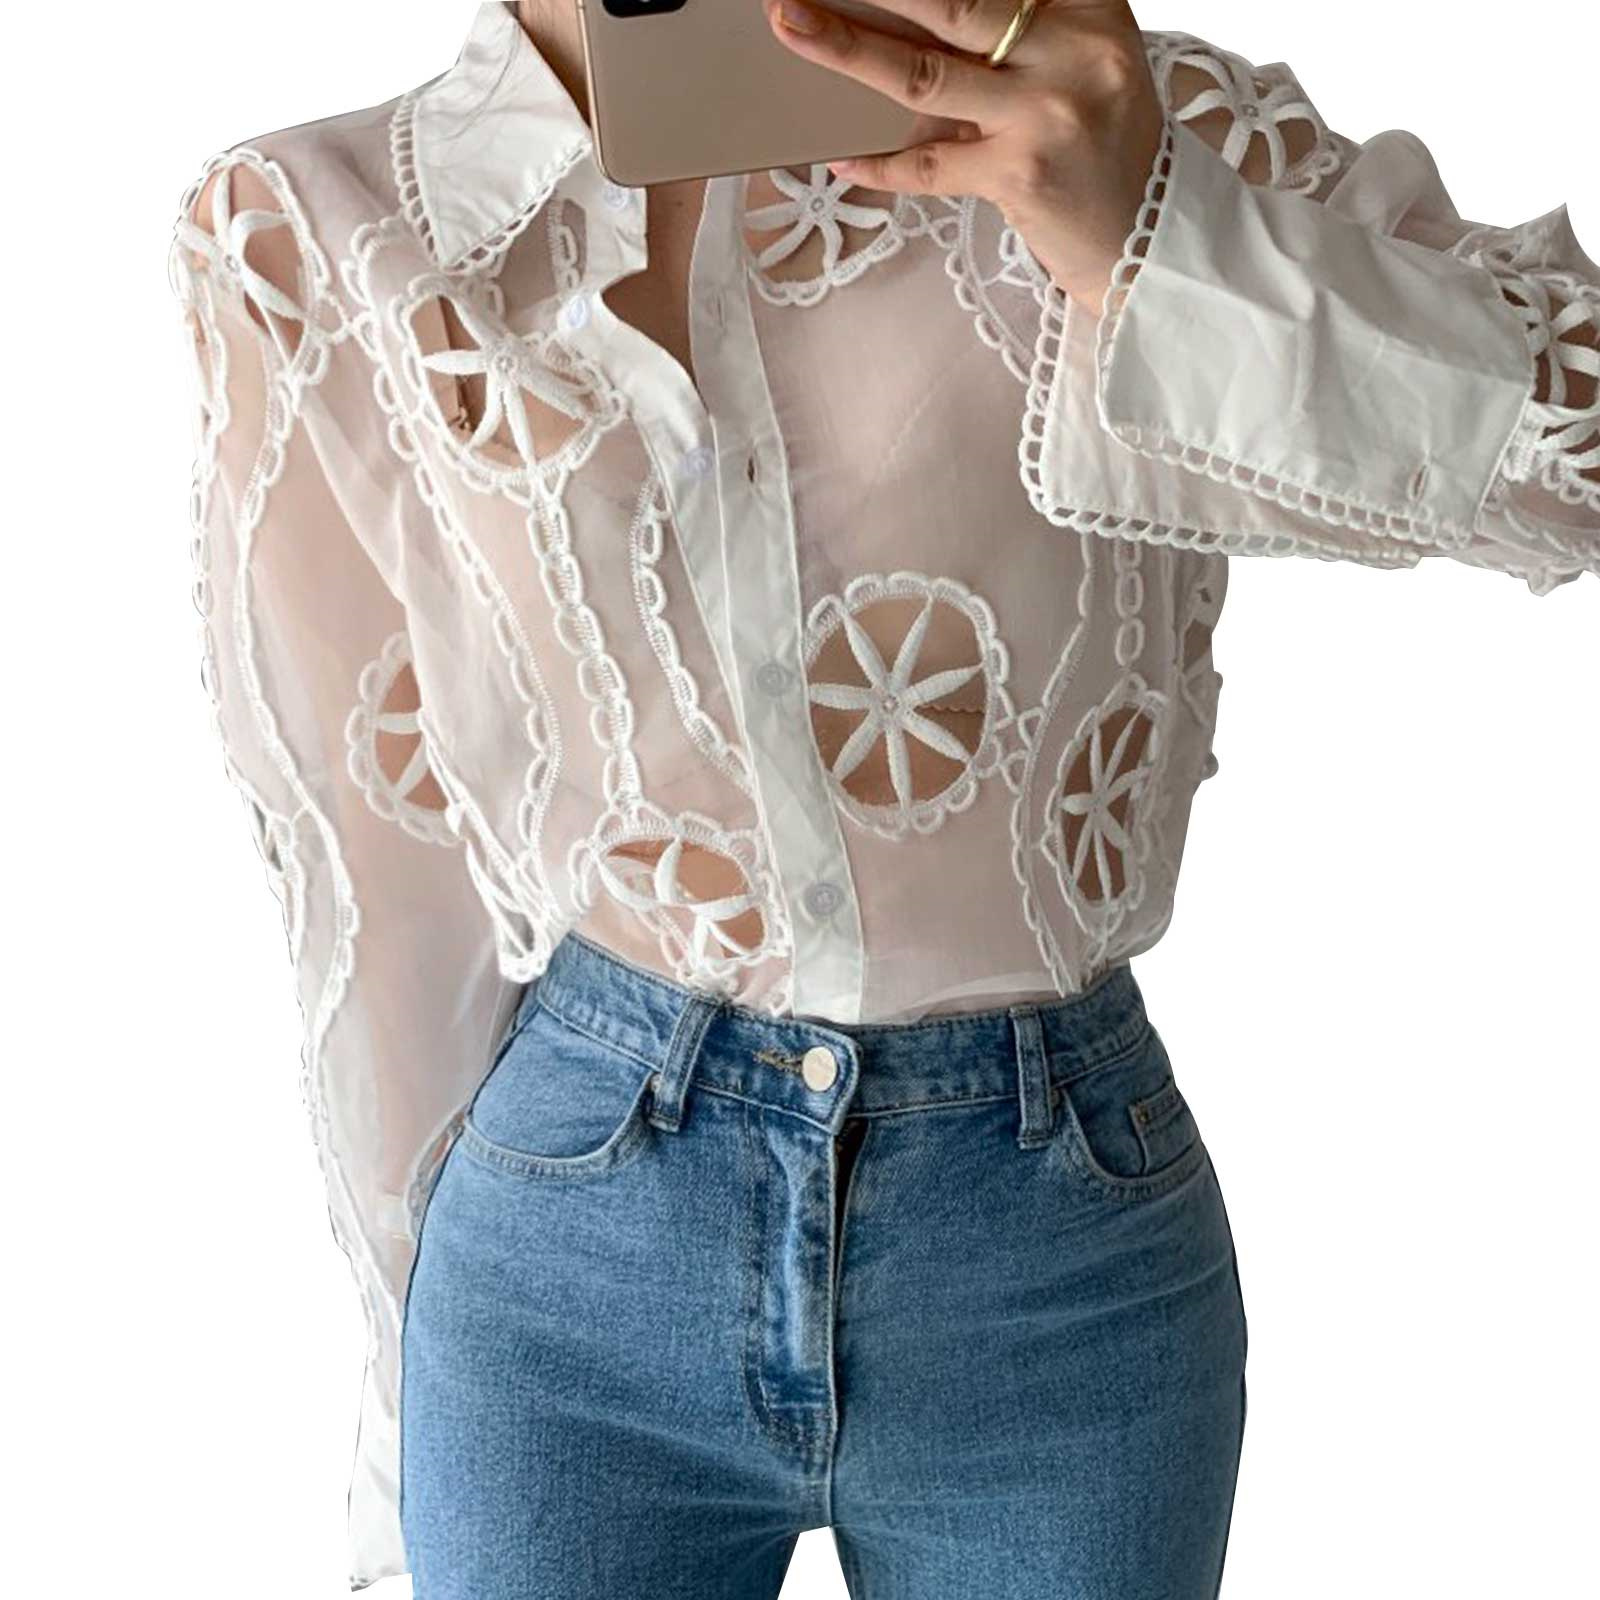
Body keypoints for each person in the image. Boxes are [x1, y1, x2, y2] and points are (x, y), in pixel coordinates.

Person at [166, 0, 1596, 1593]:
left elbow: (1583, 460)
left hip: (1055, 1260)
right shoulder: (320, 226)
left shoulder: (1125, 122)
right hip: (567, 1262)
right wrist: (399, 1388)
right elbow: (379, 874)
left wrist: (1166, 248)